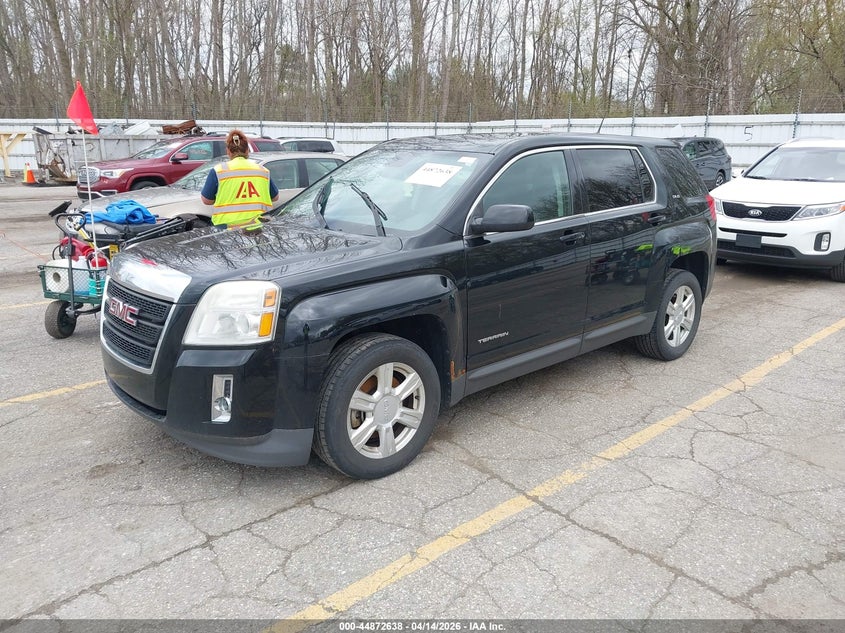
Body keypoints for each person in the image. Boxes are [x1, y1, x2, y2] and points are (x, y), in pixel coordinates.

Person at [201, 129, 279, 227]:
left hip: (227, 228)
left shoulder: (218, 171)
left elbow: (206, 200)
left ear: (228, 151)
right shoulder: (263, 171)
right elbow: (275, 197)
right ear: (247, 150)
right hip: (258, 226)